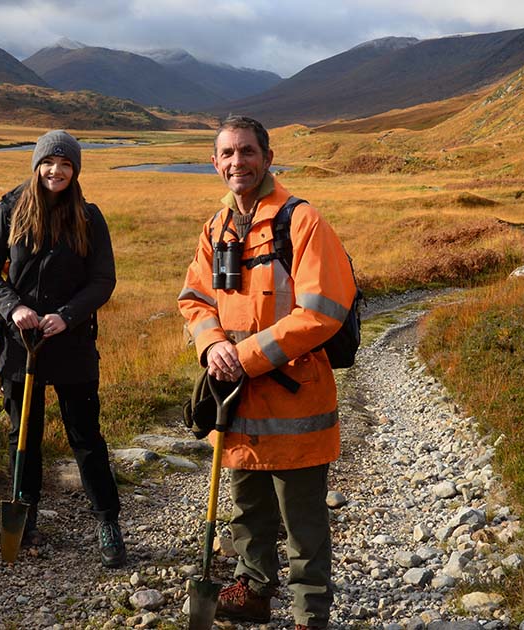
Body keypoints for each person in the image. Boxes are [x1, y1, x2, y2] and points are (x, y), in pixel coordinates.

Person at [177, 116, 355, 629]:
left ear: (267, 157)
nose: (238, 162)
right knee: (247, 510)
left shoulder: (302, 221)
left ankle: (308, 615)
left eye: (247, 151)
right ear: (215, 163)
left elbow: (322, 311)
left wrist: (246, 356)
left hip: (295, 399)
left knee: (303, 522)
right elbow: (195, 298)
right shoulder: (216, 228)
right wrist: (212, 345)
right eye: (228, 154)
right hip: (236, 400)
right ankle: (253, 590)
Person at [0, 130, 125, 568]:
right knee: (24, 438)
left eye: (65, 164)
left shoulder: (90, 218)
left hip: (72, 344)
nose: (55, 171)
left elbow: (103, 281)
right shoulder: (10, 209)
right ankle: (26, 519)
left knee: (86, 437)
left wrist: (67, 315)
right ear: (37, 166)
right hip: (20, 345)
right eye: (48, 163)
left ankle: (107, 521)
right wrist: (14, 307)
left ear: (75, 170)